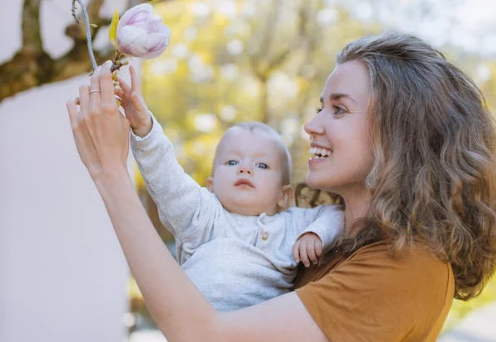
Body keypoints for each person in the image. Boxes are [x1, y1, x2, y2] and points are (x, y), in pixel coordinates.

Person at [67, 32, 496, 342]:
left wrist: (110, 172)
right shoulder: (328, 243)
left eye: (339, 109)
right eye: (318, 107)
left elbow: (202, 335)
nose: (312, 125)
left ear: (400, 133)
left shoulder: (410, 267)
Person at [114, 75, 343, 311]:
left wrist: (317, 234)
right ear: (211, 186)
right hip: (194, 327)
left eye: (261, 165)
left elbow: (337, 213)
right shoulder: (203, 215)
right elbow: (167, 177)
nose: (245, 168)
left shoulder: (292, 224)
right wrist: (145, 129)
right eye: (233, 162)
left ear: (283, 196)